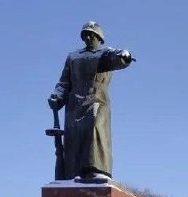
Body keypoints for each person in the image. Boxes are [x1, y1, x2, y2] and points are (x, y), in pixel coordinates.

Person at [48, 21, 133, 181]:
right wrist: (57, 96)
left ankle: (95, 170)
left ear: (99, 37)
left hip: (97, 100)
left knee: (94, 129)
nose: (88, 37)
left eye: (92, 35)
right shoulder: (73, 57)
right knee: (74, 139)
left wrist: (125, 55)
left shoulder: (105, 54)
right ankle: (74, 174)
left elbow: (119, 57)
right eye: (85, 34)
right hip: (74, 105)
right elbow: (64, 82)